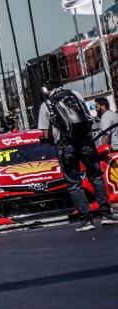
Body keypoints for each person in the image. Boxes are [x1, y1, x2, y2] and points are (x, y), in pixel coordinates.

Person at [38, 81, 118, 232]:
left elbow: (45, 134)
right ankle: (106, 214)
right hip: (86, 142)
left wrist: (47, 139)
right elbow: (87, 117)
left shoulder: (46, 104)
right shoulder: (75, 94)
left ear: (46, 90)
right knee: (96, 176)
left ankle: (86, 219)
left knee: (73, 182)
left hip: (65, 145)